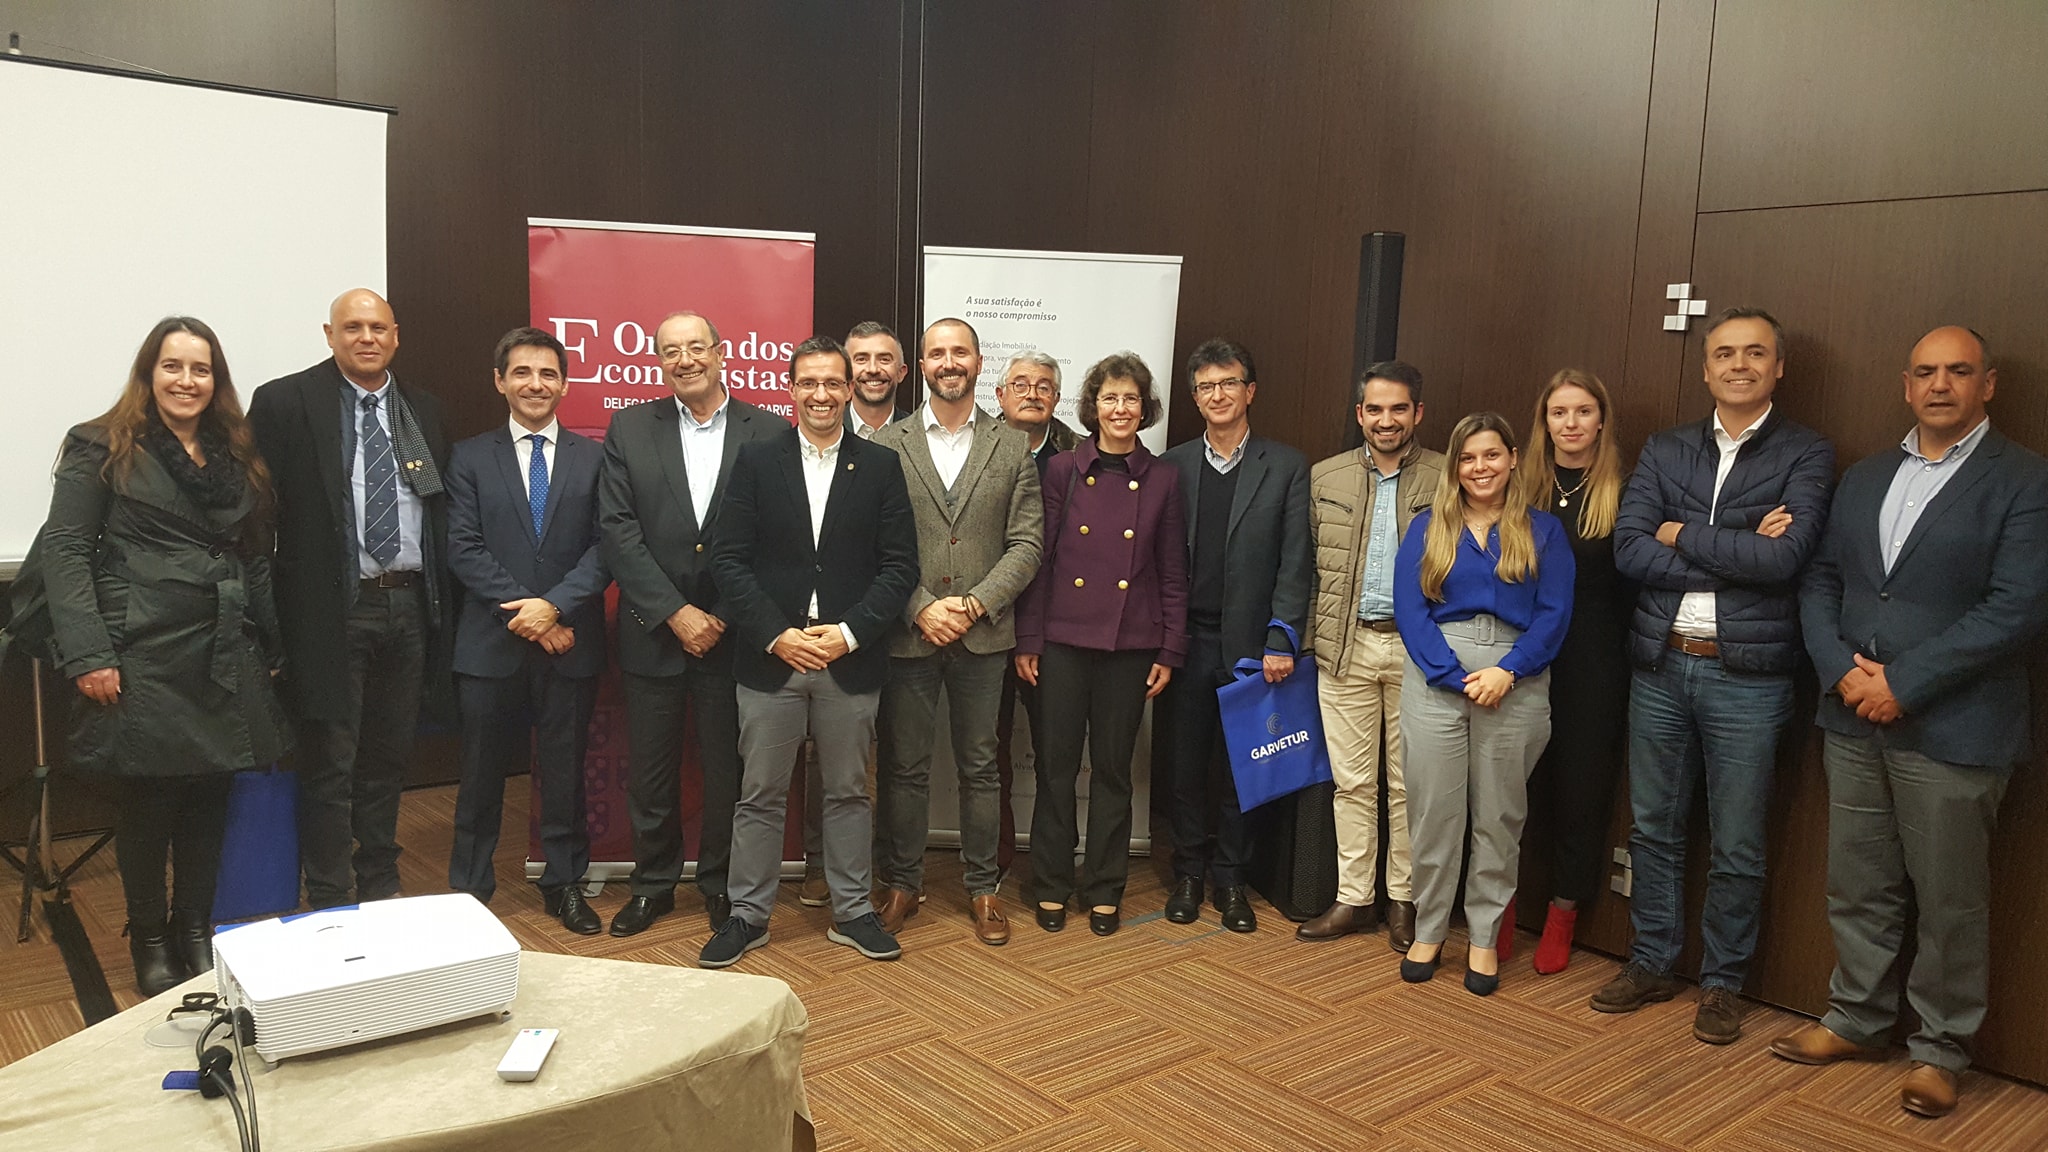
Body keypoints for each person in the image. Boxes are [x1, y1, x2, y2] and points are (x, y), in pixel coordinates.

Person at [1771, 327, 2048, 1118]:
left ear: (1987, 385)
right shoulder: (1866, 477)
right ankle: (1857, 1018)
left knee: (1951, 899)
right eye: (1925, 372)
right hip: (1854, 718)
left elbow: (2018, 607)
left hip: (1956, 728)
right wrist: (1839, 670)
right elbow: (1822, 580)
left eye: (1958, 371)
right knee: (1858, 883)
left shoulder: (2025, 480)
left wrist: (1905, 683)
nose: (1940, 385)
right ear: (1905, 384)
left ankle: (1940, 1051)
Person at [1595, 307, 1834, 1044]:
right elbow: (1630, 549)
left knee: (1737, 842)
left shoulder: (1806, 452)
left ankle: (1724, 983)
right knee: (1654, 828)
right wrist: (1737, 545)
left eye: (1755, 353)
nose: (1739, 365)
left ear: (1778, 367)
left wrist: (1682, 533)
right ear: (1705, 369)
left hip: (1748, 678)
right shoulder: (1667, 448)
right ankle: (1651, 962)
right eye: (1725, 353)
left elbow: (1783, 560)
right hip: (1661, 664)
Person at [40, 317, 288, 994]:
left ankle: (195, 930)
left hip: (222, 647)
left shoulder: (235, 453)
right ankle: (149, 937)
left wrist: (269, 646)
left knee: (211, 795)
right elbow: (66, 551)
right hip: (139, 650)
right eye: (172, 366)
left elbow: (253, 554)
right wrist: (89, 653)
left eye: (200, 369)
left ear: (216, 380)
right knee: (149, 803)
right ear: (149, 373)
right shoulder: (102, 445)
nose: (186, 380)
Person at [699, 336, 920, 968]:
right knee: (760, 794)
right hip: (772, 657)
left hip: (848, 658)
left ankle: (852, 912)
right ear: (790, 389)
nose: (820, 394)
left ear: (849, 390)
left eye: (832, 383)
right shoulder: (756, 461)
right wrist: (777, 634)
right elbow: (729, 560)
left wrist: (848, 633)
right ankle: (747, 915)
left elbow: (900, 567)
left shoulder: (880, 466)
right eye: (808, 383)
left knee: (848, 792)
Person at [250, 289, 449, 910]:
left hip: (408, 606)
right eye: (353, 327)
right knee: (330, 762)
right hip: (329, 611)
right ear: (329, 334)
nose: (367, 338)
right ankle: (332, 894)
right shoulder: (286, 401)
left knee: (388, 758)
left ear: (396, 336)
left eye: (378, 328)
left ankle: (381, 881)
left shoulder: (423, 408)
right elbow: (257, 514)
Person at [598, 310, 785, 937]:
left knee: (728, 772)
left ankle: (722, 886)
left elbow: (772, 537)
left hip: (734, 635)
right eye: (671, 350)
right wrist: (675, 612)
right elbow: (617, 530)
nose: (685, 360)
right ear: (659, 361)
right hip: (654, 629)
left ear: (721, 352)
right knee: (651, 772)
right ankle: (652, 886)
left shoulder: (769, 430)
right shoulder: (629, 428)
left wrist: (723, 615)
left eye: (696, 347)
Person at [870, 319, 1043, 944]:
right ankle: (902, 883)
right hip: (908, 633)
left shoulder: (1012, 446)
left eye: (960, 352)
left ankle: (983, 888)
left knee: (981, 768)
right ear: (921, 366)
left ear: (977, 362)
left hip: (983, 636)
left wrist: (973, 604)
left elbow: (1027, 544)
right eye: (937, 353)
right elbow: (872, 543)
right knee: (904, 768)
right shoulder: (886, 444)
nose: (949, 362)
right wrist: (919, 606)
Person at [1393, 412, 1572, 996]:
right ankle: (1429, 930)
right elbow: (1409, 609)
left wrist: (1508, 672)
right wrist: (1450, 676)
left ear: (1513, 458)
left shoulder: (1543, 530)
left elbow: (1555, 614)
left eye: (1491, 455)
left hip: (1515, 677)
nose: (1480, 468)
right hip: (1436, 676)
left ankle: (1484, 938)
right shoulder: (1428, 527)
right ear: (1455, 466)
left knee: (1499, 818)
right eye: (1468, 458)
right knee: (1433, 815)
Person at [443, 328, 610, 934]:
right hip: (491, 645)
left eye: (547, 374)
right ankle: (469, 891)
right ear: (500, 381)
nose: (535, 384)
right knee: (480, 776)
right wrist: (532, 619)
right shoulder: (468, 457)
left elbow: (607, 546)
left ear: (564, 384)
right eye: (522, 372)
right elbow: (463, 548)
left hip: (570, 642)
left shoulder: (595, 458)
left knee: (565, 774)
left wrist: (556, 607)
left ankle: (564, 884)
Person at [1015, 353, 1188, 937]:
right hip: (1062, 641)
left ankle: (1105, 886)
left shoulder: (1163, 478)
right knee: (1056, 769)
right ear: (1093, 406)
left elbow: (1172, 572)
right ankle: (1051, 883)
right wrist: (1029, 638)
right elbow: (1040, 563)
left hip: (1129, 645)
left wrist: (1170, 650)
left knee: (1114, 771)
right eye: (1110, 398)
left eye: (1130, 399)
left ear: (1145, 408)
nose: (1120, 408)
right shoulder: (1061, 469)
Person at [1160, 338, 1311, 933]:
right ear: (1195, 397)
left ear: (1250, 391)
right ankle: (1188, 874)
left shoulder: (1287, 466)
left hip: (1253, 646)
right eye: (1206, 386)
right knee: (1184, 766)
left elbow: (1296, 561)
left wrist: (1282, 638)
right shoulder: (1172, 466)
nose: (1217, 395)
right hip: (1186, 642)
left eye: (1228, 384)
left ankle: (1231, 879)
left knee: (1241, 767)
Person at [1301, 360, 1441, 950]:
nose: (1387, 420)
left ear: (1417, 413)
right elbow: (1309, 569)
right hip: (1345, 646)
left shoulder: (1446, 477)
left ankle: (1404, 900)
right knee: (1352, 783)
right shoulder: (1324, 477)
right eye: (1375, 409)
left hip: (1418, 650)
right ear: (1359, 414)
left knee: (1410, 785)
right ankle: (1354, 899)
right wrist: (1308, 640)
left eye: (1398, 409)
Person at [1517, 369, 1634, 974]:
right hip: (1524, 657)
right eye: (1559, 412)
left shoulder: (1626, 490)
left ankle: (1562, 914)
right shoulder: (1520, 486)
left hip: (1594, 662)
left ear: (1601, 419)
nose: (1571, 423)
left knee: (1581, 792)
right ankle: (1501, 910)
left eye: (1583, 411)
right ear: (1544, 422)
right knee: (1513, 789)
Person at [798, 320, 913, 908]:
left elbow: (904, 554)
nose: (871, 369)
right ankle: (823, 864)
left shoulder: (913, 438)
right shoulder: (797, 448)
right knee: (831, 761)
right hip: (824, 635)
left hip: (903, 626)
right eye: (860, 358)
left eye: (882, 359)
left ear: (902, 371)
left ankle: (889, 870)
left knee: (900, 759)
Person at [991, 350, 1078, 880]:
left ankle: (1052, 868)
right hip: (986, 621)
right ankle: (996, 860)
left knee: (1055, 754)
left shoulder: (1083, 455)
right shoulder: (973, 446)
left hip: (1054, 629)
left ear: (1057, 399)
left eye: (1043, 386)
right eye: (1020, 384)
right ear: (1000, 395)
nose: (1032, 393)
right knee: (988, 754)